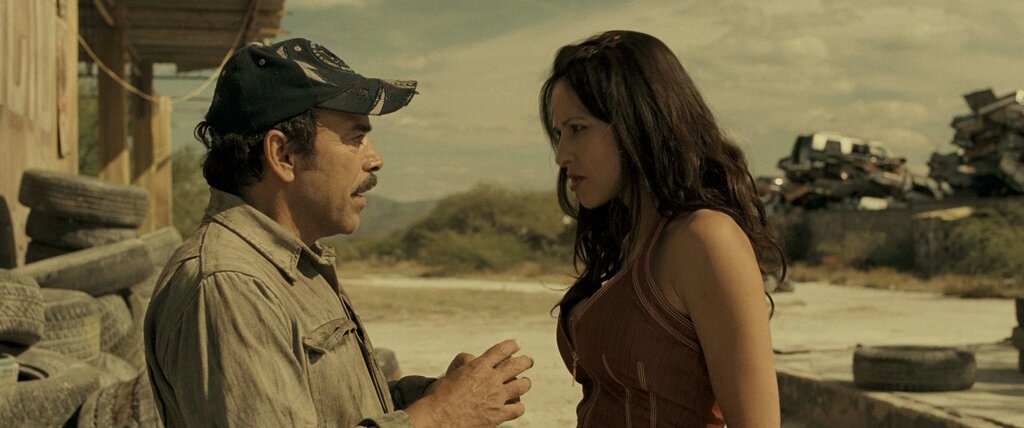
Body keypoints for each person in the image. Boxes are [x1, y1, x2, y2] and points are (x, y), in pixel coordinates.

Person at [144, 38, 533, 428]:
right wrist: (440, 415)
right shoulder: (230, 285)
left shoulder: (289, 265)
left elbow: (327, 408)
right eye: (355, 138)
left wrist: (433, 395)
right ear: (283, 154)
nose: (375, 159)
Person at [539, 31, 785, 427]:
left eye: (578, 129)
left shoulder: (705, 239)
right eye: (559, 134)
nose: (562, 155)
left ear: (637, 122)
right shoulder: (628, 244)